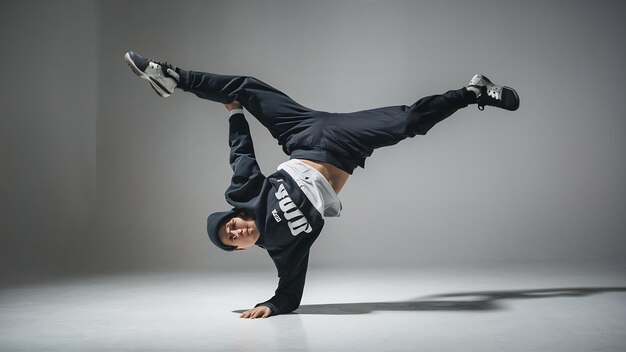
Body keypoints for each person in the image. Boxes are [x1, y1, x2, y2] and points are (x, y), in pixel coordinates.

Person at [124, 51, 520, 319]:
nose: (238, 230)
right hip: (344, 147)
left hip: (304, 134)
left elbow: (240, 153)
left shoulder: (245, 197)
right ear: (242, 248)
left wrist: (235, 115)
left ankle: (170, 76)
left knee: (244, 86)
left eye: (231, 225)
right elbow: (288, 293)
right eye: (234, 239)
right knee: (408, 122)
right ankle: (473, 92)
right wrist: (274, 307)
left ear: (235, 215)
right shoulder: (283, 248)